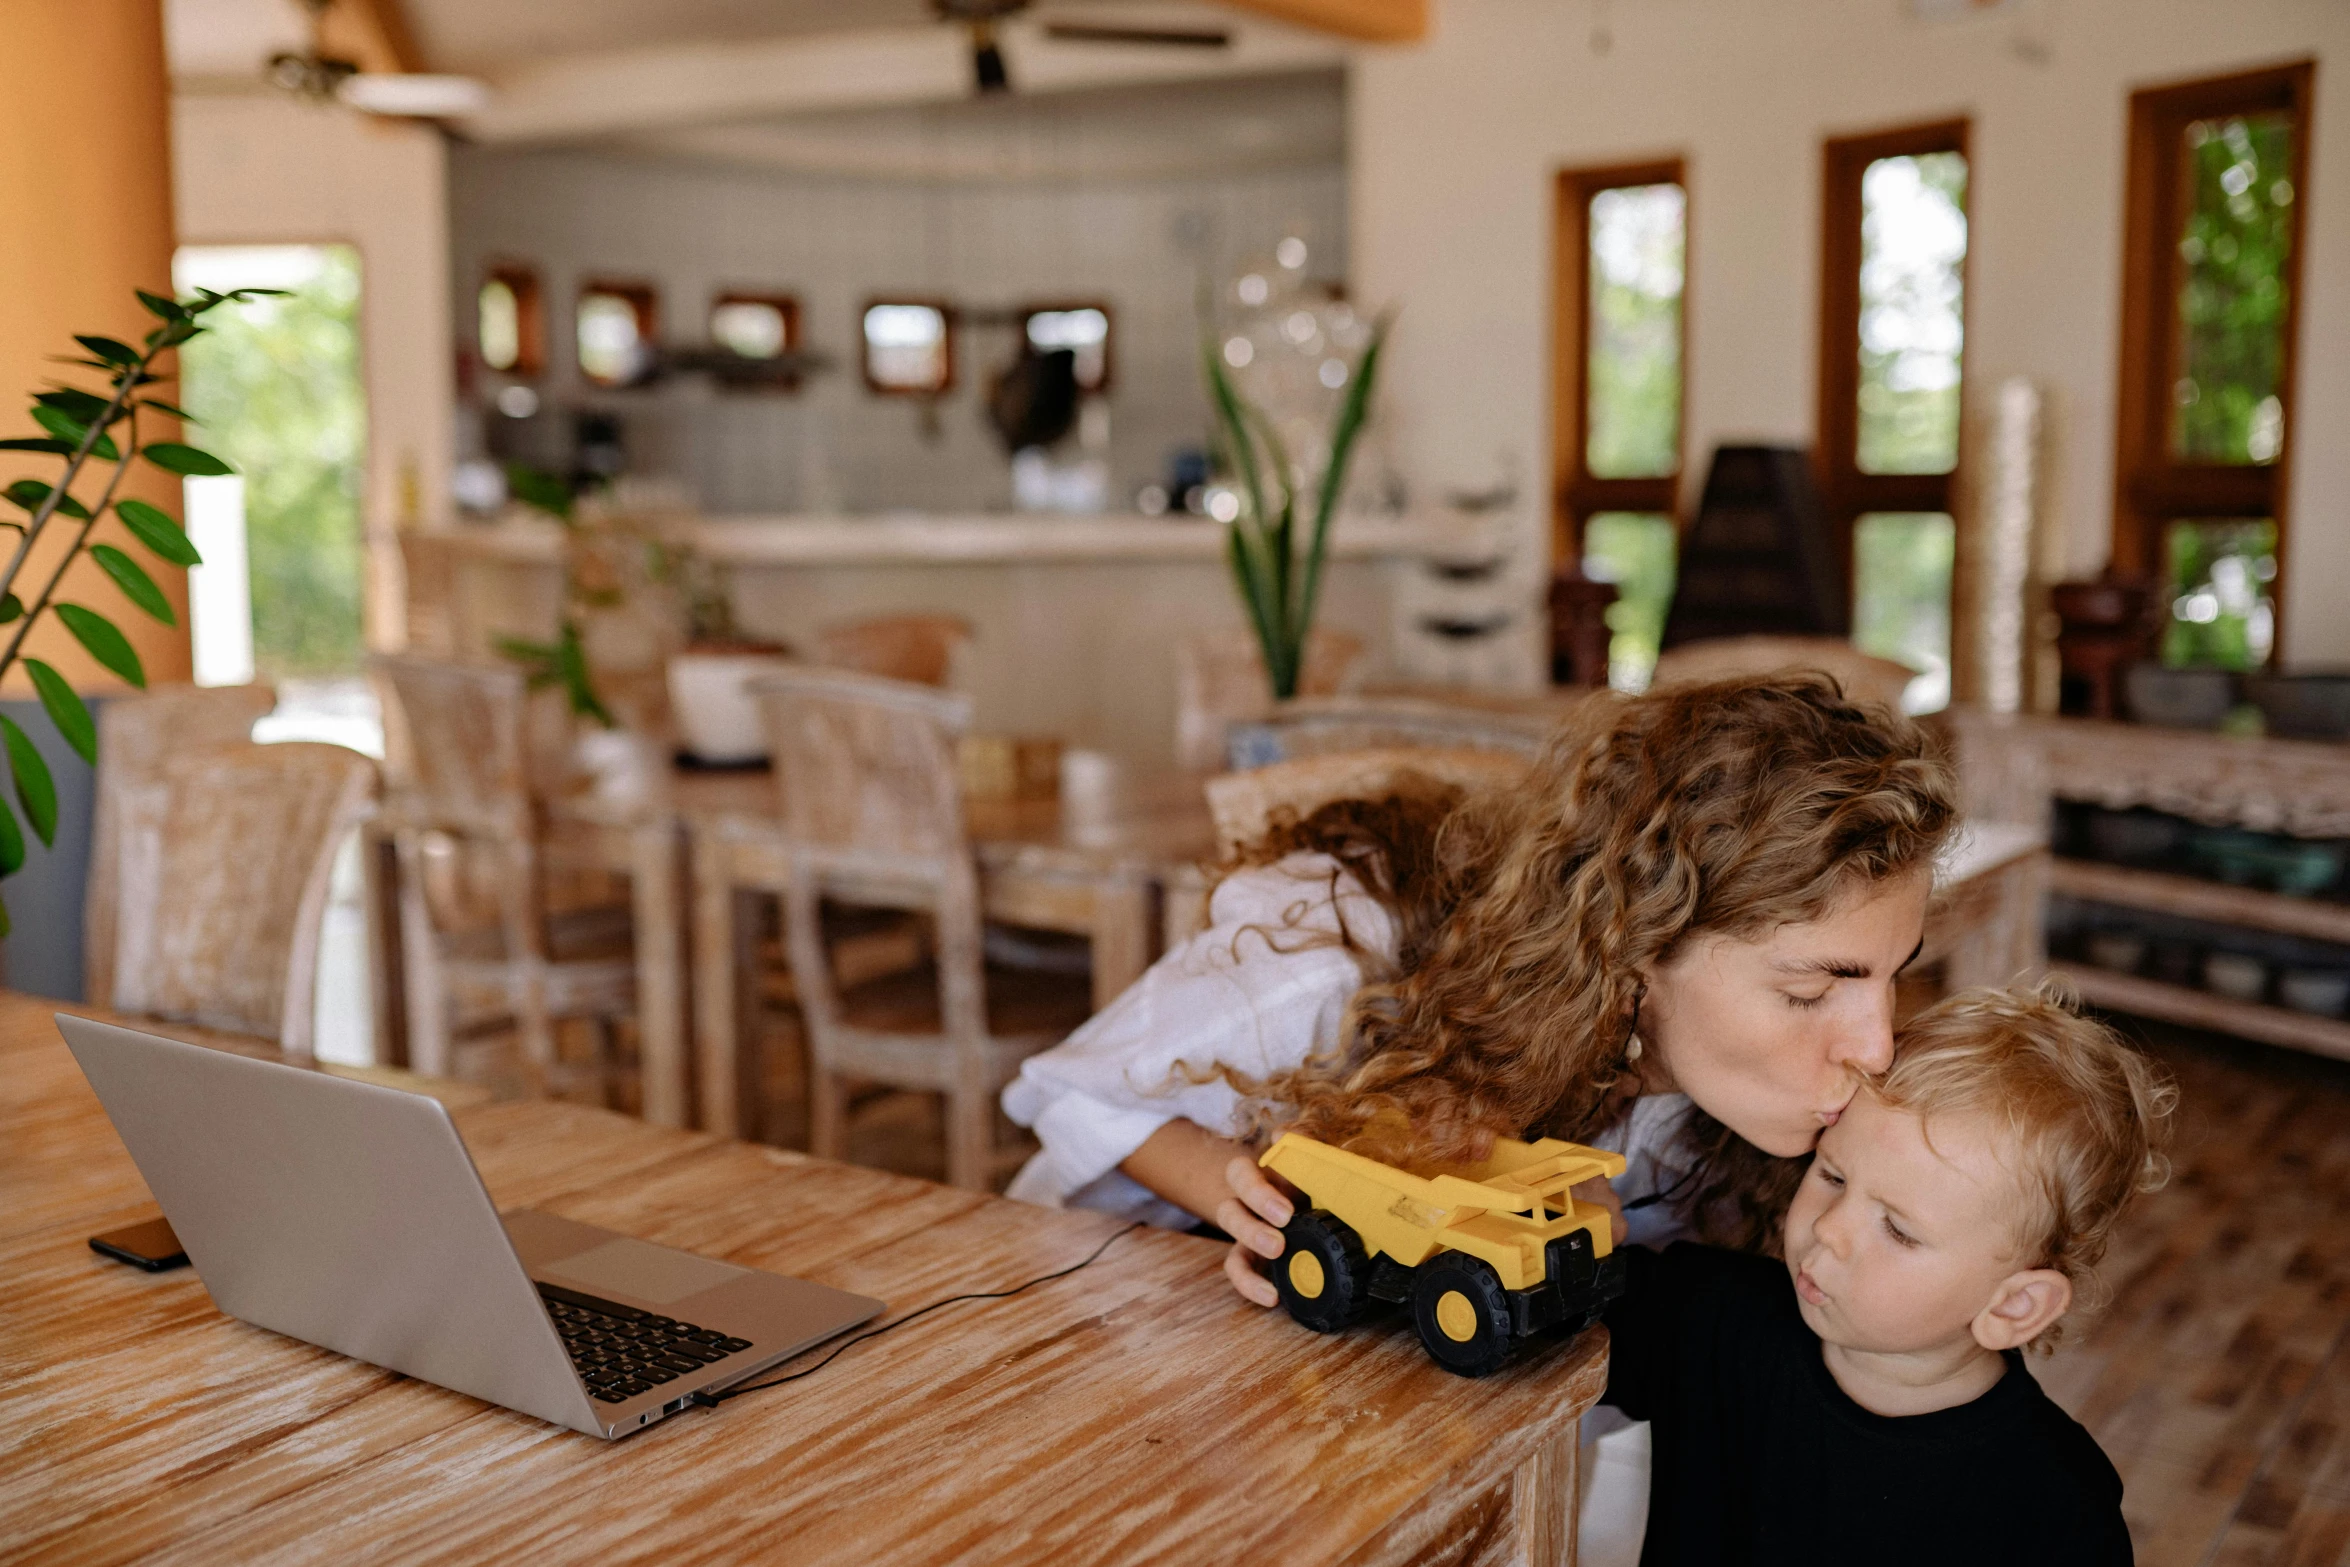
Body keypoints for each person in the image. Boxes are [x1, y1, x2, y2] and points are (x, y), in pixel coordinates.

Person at [1001, 673, 1959, 1295]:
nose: (1875, 1046)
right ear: (1634, 946)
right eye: (1809, 992)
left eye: (1889, 978)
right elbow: (1065, 1090)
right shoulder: (1330, 965)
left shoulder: (1720, 1114)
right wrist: (1229, 1188)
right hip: (1101, 1292)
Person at [1601, 984, 2173, 1566]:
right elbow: (1549, 1317)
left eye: (1898, 1230)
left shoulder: (2053, 1506)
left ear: (2013, 1307)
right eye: (1833, 1176)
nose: (1829, 1229)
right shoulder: (1705, 1318)